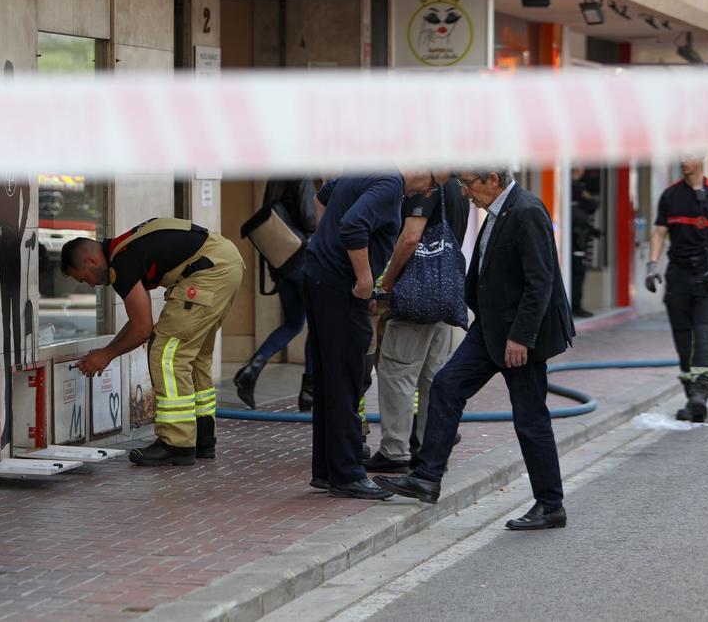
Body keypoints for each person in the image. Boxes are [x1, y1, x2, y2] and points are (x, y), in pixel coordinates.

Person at [376, 169, 575, 531]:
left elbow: (540, 281)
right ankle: (427, 477)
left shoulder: (527, 210)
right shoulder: (500, 209)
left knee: (530, 419)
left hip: (518, 336)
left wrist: (521, 337)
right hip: (492, 328)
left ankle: (550, 505)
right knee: (447, 386)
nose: (464, 192)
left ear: (493, 178)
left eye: (469, 184)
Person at [305, 170, 445, 500]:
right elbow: (353, 225)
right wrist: (364, 278)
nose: (428, 193)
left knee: (330, 380)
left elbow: (322, 198)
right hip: (341, 288)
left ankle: (326, 469)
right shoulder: (389, 184)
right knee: (346, 378)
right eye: (433, 184)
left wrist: (325, 247)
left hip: (320, 277)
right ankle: (347, 474)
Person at [61, 218, 244, 466]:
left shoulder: (121, 263)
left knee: (166, 353)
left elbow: (142, 328)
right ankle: (202, 437)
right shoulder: (126, 248)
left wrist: (106, 355)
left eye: (84, 278)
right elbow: (141, 321)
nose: (92, 285)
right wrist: (107, 352)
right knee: (194, 357)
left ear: (90, 260)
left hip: (209, 271)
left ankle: (176, 443)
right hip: (226, 262)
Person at [364, 176, 470, 472]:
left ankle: (394, 450)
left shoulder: (426, 187)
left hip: (416, 295)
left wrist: (388, 281)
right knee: (432, 378)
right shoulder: (458, 188)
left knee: (397, 372)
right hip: (444, 295)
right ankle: (429, 448)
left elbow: (411, 237)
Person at [233, 178, 319, 411]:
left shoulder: (274, 179)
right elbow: (310, 220)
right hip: (302, 259)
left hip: (281, 264)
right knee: (317, 325)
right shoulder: (303, 177)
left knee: (293, 323)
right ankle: (309, 393)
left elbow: (267, 219)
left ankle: (251, 369)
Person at [645, 156, 708, 422]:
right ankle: (692, 397)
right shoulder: (670, 195)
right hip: (678, 276)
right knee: (682, 337)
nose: (682, 160)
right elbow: (659, 233)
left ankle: (700, 391)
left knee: (703, 331)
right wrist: (652, 265)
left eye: (688, 155)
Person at [570, 168, 600, 318]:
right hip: (576, 240)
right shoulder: (575, 187)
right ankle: (575, 306)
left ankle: (575, 305)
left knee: (576, 272)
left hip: (576, 238)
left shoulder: (574, 186)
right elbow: (592, 205)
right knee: (577, 273)